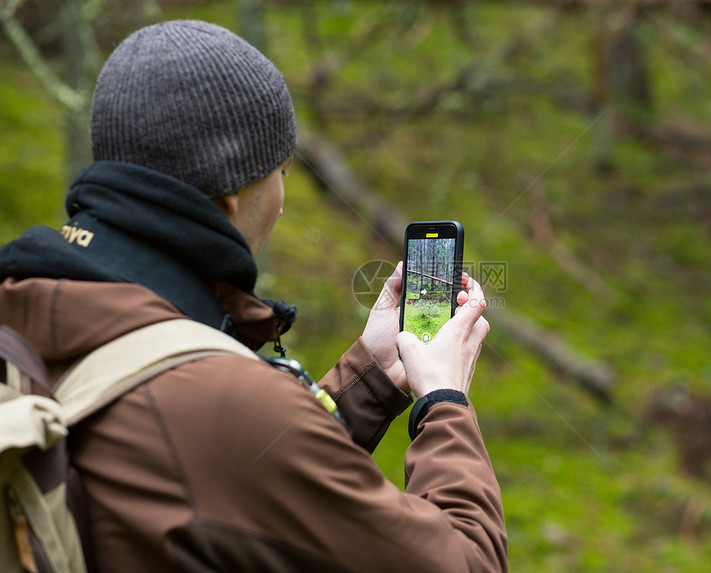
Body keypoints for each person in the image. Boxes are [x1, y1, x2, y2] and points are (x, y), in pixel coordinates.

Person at [0, 19, 506, 573]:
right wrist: (443, 400)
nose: (284, 201)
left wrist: (373, 376)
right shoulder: (223, 404)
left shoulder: (28, 306)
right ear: (233, 190)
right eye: (279, 171)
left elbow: (243, 476)